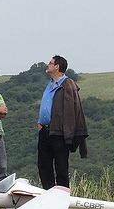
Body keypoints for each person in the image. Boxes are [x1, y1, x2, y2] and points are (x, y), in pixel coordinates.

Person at [37, 55, 88, 189]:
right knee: (44, 165)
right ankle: (48, 194)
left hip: (59, 132)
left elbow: (72, 110)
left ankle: (61, 196)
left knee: (61, 166)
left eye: (50, 63)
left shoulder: (68, 85)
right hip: (45, 130)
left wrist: (70, 133)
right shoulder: (50, 84)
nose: (47, 65)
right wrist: (40, 123)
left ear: (57, 66)